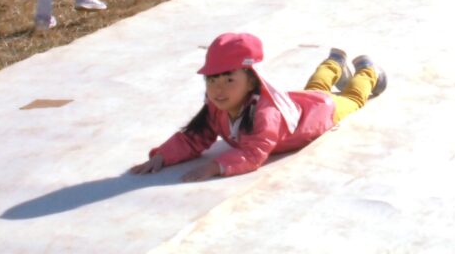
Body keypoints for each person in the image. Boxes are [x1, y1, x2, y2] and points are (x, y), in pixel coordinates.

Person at [130, 33, 386, 180]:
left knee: (350, 98)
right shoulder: (217, 107)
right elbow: (195, 138)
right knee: (314, 90)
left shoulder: (265, 114)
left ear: (252, 80)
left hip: (320, 114)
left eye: (229, 79)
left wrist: (214, 166)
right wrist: (163, 155)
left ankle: (368, 72)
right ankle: (334, 62)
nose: (218, 89)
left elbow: (254, 154)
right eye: (212, 80)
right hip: (300, 101)